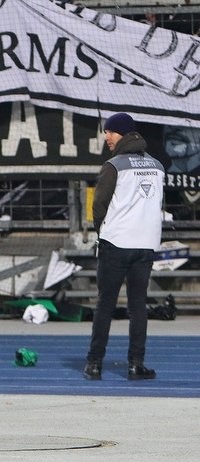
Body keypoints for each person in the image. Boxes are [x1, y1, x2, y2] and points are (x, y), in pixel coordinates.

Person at [84, 112, 165, 382]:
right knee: (138, 306)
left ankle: (94, 364)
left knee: (105, 304)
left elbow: (99, 205)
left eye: (110, 132)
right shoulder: (157, 166)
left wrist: (103, 231)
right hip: (145, 245)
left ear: (124, 134)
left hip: (116, 243)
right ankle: (136, 365)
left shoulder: (114, 165)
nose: (107, 137)